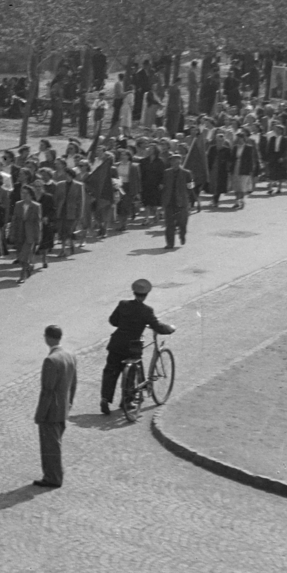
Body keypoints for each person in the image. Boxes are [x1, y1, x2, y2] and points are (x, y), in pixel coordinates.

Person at [100, 279, 175, 414]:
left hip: (117, 343)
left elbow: (113, 321)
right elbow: (157, 326)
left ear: (134, 293)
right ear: (146, 295)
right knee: (132, 371)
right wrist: (170, 328)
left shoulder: (123, 305)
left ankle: (105, 399)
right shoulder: (147, 311)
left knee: (110, 371)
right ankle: (127, 402)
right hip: (132, 346)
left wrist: (124, 324)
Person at [32, 326, 77, 489]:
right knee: (54, 444)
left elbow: (47, 391)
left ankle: (53, 477)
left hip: (51, 411)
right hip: (63, 408)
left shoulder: (51, 360)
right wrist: (69, 404)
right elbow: (73, 384)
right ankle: (53, 475)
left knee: (50, 446)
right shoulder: (70, 355)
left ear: (48, 338)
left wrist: (40, 414)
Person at [160, 152, 192, 251]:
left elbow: (190, 187)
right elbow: (162, 185)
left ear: (180, 161)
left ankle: (182, 234)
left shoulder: (186, 173)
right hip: (169, 201)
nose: (175, 163)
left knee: (182, 222)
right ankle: (170, 243)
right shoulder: (166, 172)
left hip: (181, 202)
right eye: (173, 161)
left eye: (177, 160)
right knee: (169, 224)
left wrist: (188, 199)